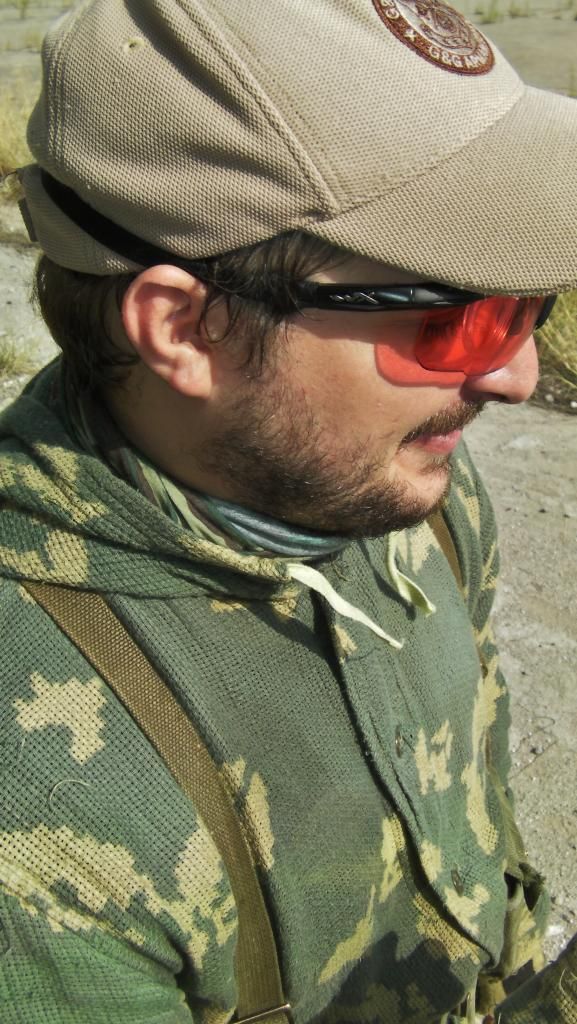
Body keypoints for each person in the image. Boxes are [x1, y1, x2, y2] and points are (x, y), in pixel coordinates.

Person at [0, 0, 575, 1021]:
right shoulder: (37, 834)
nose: (517, 376)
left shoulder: (404, 492)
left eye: (530, 302)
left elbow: (478, 803)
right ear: (186, 329)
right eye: (460, 317)